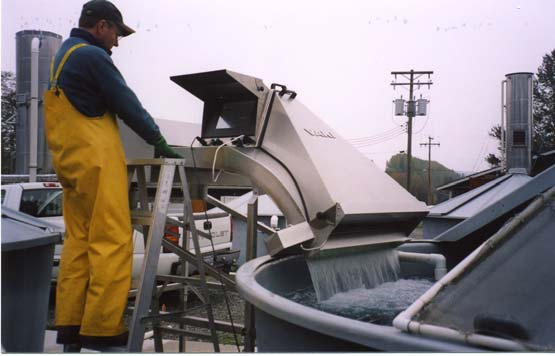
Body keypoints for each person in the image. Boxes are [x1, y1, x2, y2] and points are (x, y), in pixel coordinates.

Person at [44, 0, 181, 351]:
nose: (117, 42)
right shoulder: (92, 57)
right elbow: (127, 103)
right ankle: (103, 328)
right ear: (102, 26)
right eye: (117, 33)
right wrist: (159, 140)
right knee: (113, 239)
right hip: (95, 162)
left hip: (69, 163)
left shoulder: (63, 55)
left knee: (79, 242)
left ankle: (72, 325)